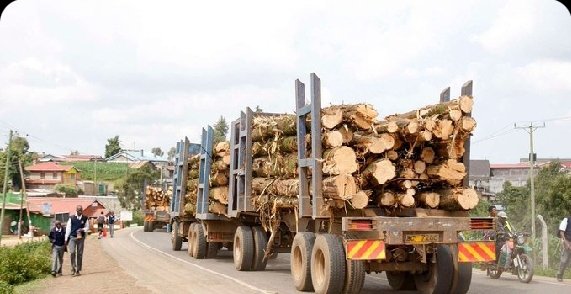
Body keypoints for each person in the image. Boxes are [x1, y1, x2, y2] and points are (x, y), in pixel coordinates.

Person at [65, 205, 89, 276]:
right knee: (72, 252)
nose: (80, 211)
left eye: (81, 210)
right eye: (79, 210)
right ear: (76, 210)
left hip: (81, 238)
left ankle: (78, 270)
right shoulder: (71, 218)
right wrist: (66, 239)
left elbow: (87, 227)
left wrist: (83, 229)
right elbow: (68, 229)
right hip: (72, 238)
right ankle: (73, 268)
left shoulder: (85, 218)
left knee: (80, 254)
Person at [557, 216, 571, 282]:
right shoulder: (566, 219)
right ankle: (560, 275)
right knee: (564, 260)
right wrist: (566, 243)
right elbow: (561, 232)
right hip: (567, 240)